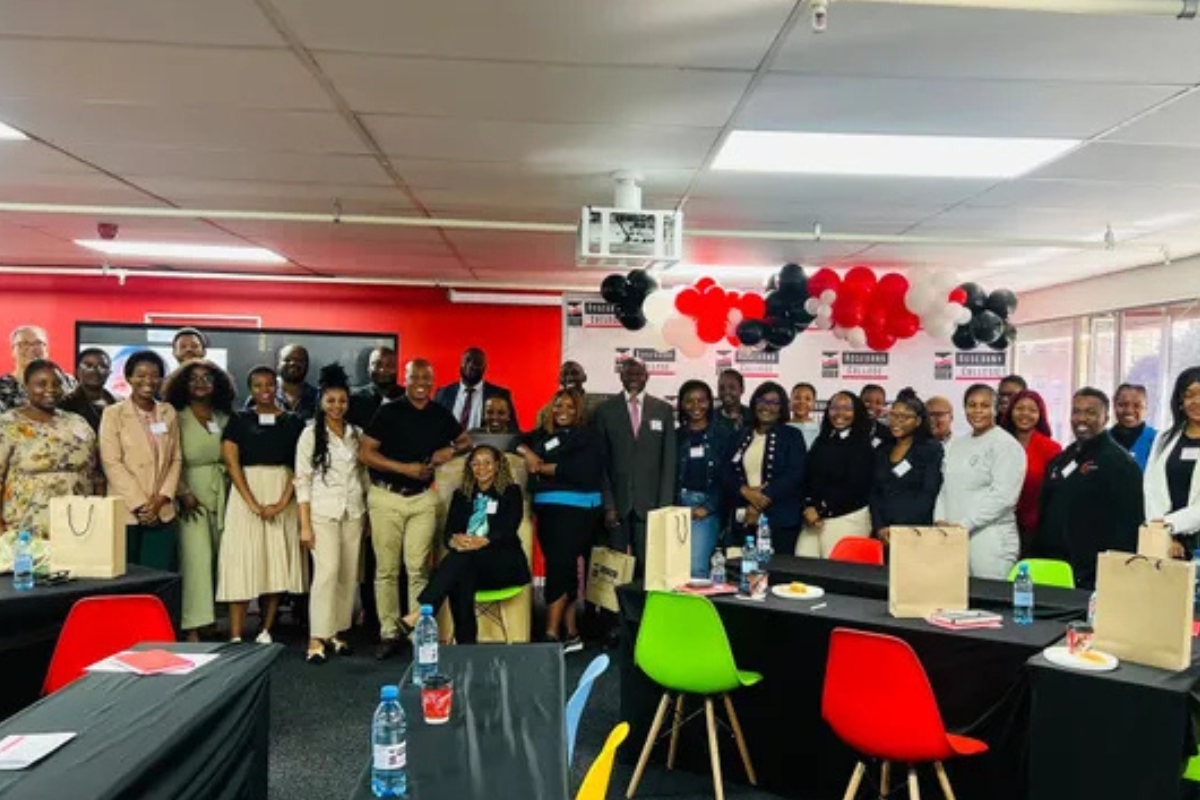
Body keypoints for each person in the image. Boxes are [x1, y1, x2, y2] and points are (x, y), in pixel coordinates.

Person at [361, 358, 471, 660]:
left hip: (423, 498)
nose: (421, 382)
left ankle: (416, 633)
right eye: (415, 377)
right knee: (386, 570)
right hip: (387, 497)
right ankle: (388, 631)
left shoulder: (439, 413)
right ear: (405, 379)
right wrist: (404, 468)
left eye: (427, 376)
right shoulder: (388, 411)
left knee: (418, 568)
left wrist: (450, 450)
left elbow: (465, 441)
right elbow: (365, 453)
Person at [394, 446, 530, 645]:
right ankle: (466, 644)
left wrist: (483, 541)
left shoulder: (511, 492)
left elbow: (509, 529)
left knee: (460, 564)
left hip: (503, 564)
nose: (481, 468)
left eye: (487, 463)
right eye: (475, 463)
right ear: (469, 468)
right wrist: (455, 540)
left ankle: (423, 613)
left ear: (498, 465)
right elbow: (449, 533)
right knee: (462, 571)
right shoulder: (462, 495)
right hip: (470, 565)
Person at [218, 365, 307, 643]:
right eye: (258, 385)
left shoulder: (293, 422)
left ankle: (266, 629)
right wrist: (253, 503)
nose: (264, 391)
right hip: (245, 494)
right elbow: (231, 462)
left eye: (270, 385)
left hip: (283, 492)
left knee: (274, 561)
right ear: (250, 389)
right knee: (240, 561)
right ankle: (235, 633)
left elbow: (298, 465)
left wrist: (282, 502)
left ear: (277, 387)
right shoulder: (238, 419)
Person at [518, 389, 603, 650]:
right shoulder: (543, 436)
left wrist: (544, 468)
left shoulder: (587, 437)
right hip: (546, 510)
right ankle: (572, 632)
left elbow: (583, 472)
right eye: (558, 405)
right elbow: (516, 441)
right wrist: (528, 453)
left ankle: (551, 633)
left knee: (559, 566)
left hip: (578, 510)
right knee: (561, 565)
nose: (562, 410)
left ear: (579, 411)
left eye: (569, 406)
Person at [1034, 388, 1144, 589]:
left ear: (1106, 418)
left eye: (1091, 412)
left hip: (1093, 577)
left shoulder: (1120, 464)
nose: (1081, 418)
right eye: (1076, 411)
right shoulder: (1062, 459)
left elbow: (1129, 527)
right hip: (1053, 569)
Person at [296, 364, 368, 664]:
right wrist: (304, 525)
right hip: (322, 513)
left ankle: (337, 632)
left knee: (347, 575)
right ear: (322, 402)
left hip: (353, 512)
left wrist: (368, 516)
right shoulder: (310, 434)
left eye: (342, 401)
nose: (337, 406)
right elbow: (302, 480)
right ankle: (316, 638)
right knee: (326, 573)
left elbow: (362, 477)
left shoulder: (356, 434)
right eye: (331, 401)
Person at [163, 359, 236, 641]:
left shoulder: (222, 416)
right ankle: (192, 625)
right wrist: (181, 490)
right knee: (196, 560)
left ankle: (210, 620)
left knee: (218, 558)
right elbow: (169, 458)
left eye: (207, 378)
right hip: (189, 494)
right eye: (193, 378)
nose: (200, 383)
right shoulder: (175, 415)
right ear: (183, 383)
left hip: (222, 492)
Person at [99, 350, 183, 571]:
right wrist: (141, 505)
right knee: (126, 576)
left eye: (155, 375)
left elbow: (176, 458)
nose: (148, 381)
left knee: (159, 576)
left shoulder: (168, 412)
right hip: (127, 509)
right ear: (128, 377)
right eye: (141, 375)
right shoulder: (112, 414)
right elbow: (111, 462)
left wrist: (161, 499)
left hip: (162, 509)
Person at [936, 384, 1026, 579]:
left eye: (984, 405)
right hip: (953, 537)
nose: (977, 411)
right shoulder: (957, 444)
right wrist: (940, 520)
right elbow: (946, 486)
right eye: (972, 405)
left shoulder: (1006, 445)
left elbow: (1003, 497)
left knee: (988, 602)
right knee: (955, 602)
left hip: (990, 539)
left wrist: (964, 525)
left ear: (995, 409)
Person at [0, 359, 98, 539]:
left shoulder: (78, 422)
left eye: (57, 383)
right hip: (24, 527)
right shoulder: (7, 424)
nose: (50, 389)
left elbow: (96, 472)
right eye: (41, 384)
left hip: (76, 524)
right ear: (26, 387)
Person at [592, 358, 676, 564]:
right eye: (629, 374)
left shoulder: (663, 410)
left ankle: (642, 598)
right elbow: (601, 463)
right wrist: (608, 505)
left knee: (648, 567)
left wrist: (663, 507)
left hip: (650, 506)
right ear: (620, 376)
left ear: (647, 377)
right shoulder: (605, 411)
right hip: (617, 506)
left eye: (639, 374)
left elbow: (669, 462)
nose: (634, 379)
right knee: (615, 569)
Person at [724, 381, 807, 556]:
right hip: (743, 518)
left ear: (781, 407)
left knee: (778, 575)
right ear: (754, 403)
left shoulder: (792, 435)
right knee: (744, 573)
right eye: (762, 400)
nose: (766, 407)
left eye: (773, 402)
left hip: (781, 519)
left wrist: (760, 500)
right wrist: (745, 492)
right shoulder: (739, 435)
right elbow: (725, 473)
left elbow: (795, 473)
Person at [799, 391, 875, 558]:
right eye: (834, 408)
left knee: (835, 576)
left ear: (857, 412)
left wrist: (820, 509)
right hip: (813, 519)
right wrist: (808, 506)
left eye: (847, 408)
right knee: (803, 567)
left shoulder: (863, 445)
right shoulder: (822, 440)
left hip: (847, 517)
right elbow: (808, 477)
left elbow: (855, 486)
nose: (840, 413)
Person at [674, 380, 733, 577]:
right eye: (689, 401)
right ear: (681, 404)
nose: (695, 406)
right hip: (676, 506)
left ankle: (696, 607)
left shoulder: (724, 435)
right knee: (674, 568)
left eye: (701, 400)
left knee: (696, 567)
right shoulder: (676, 435)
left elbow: (728, 477)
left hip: (705, 508)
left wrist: (708, 507)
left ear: (710, 403)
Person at [870, 389, 944, 543]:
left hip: (915, 533)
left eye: (905, 417)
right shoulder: (882, 450)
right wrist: (880, 527)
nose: (897, 421)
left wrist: (899, 530)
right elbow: (874, 493)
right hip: (882, 534)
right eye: (894, 415)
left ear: (918, 421)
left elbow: (928, 494)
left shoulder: (930, 449)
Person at [1144, 367, 1200, 558]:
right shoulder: (1164, 439)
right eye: (1189, 395)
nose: (1196, 401)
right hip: (1166, 541)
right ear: (1180, 401)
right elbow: (1150, 488)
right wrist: (1166, 533)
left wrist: (1169, 523)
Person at [1000, 389, 1062, 556]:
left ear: (1040, 414)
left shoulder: (1051, 448)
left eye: (1032, 410)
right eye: (1019, 408)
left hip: (1036, 528)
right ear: (1011, 411)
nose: (1025, 414)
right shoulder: (998, 443)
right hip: (1000, 524)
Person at [434, 347, 518, 431]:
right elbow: (433, 427)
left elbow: (513, 430)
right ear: (461, 364)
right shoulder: (442, 394)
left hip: (486, 444)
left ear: (484, 367)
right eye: (467, 360)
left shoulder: (500, 394)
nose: (471, 365)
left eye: (477, 362)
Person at [0, 325, 74, 413]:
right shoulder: (2, 386)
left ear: (46, 349)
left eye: (38, 343)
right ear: (13, 350)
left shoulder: (67, 381)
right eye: (23, 343)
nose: (32, 348)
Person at [59, 348, 118, 435]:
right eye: (88, 366)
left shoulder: (120, 403)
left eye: (102, 367)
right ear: (77, 371)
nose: (96, 371)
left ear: (109, 372)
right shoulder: (64, 404)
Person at [535, 361, 605, 429]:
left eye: (575, 373)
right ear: (559, 379)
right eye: (565, 374)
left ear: (584, 377)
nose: (569, 378)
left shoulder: (597, 407)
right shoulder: (546, 411)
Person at [348, 346, 400, 429]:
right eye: (377, 364)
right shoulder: (354, 400)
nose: (383, 370)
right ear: (368, 369)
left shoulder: (408, 398)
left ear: (397, 369)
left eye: (389, 365)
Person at [1111, 383, 1157, 471]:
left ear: (1146, 407)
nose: (1129, 410)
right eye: (1122, 405)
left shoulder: (1158, 440)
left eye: (1137, 405)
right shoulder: (1101, 440)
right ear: (1114, 405)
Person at [789, 382, 821, 449]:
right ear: (790, 401)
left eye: (807, 399)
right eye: (797, 398)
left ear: (813, 403)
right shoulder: (781, 428)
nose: (802, 402)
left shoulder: (821, 430)